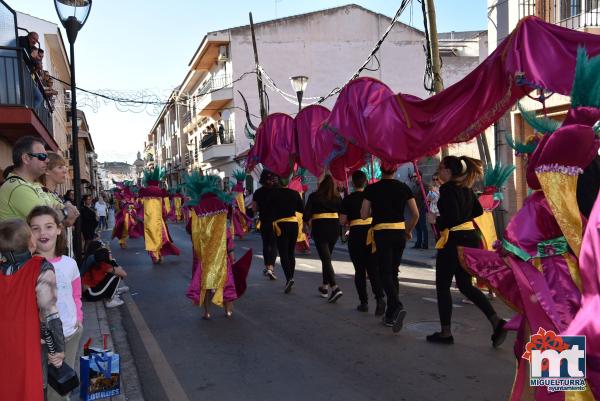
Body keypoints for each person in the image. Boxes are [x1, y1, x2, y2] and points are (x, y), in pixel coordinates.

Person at [425, 156, 506, 345]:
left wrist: (435, 219)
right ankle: (496, 322)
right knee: (465, 285)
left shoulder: (446, 189)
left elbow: (451, 218)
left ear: (449, 171)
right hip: (469, 239)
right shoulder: (467, 189)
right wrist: (460, 215)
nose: (439, 172)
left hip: (454, 241)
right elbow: (478, 211)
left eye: (441, 168)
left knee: (443, 286)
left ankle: (446, 333)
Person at [0, 218, 65, 401]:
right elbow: (49, 313)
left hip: (3, 345)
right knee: (32, 389)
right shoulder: (40, 268)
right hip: (29, 345)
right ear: (31, 241)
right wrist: (57, 349)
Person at [28, 206, 82, 401]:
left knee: (61, 387)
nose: (43, 233)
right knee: (42, 387)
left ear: (59, 229)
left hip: (70, 333)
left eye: (49, 226)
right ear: (29, 233)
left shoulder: (70, 263)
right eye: (36, 228)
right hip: (41, 340)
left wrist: (79, 317)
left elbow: (76, 294)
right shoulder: (27, 267)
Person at [361, 160, 418, 332]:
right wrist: (408, 230)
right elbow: (415, 214)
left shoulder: (371, 188)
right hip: (399, 233)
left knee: (383, 272)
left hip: (382, 233)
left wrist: (374, 209)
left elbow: (363, 215)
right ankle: (391, 314)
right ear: (395, 170)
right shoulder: (403, 188)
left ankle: (397, 305)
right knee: (393, 272)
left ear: (380, 169)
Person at [185, 173, 252, 319]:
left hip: (205, 255)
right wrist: (231, 251)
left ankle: (207, 312)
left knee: (206, 284)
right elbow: (226, 233)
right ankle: (228, 311)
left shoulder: (196, 208)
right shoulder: (222, 206)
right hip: (221, 254)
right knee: (227, 282)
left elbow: (190, 229)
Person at [0, 136, 78, 224]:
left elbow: (63, 215)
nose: (47, 160)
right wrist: (65, 212)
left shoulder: (35, 185)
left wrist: (62, 212)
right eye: (42, 156)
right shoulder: (17, 188)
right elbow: (47, 221)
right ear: (26, 159)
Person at [340, 170, 385, 314]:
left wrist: (348, 222)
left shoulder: (348, 199)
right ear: (365, 182)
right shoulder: (373, 196)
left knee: (359, 270)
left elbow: (342, 221)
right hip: (371, 234)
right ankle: (379, 299)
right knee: (373, 269)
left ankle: (364, 302)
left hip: (356, 234)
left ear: (353, 183)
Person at [303, 174, 343, 303]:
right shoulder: (337, 198)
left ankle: (335, 287)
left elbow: (306, 215)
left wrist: (305, 226)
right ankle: (325, 287)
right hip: (334, 229)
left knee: (326, 260)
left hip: (320, 229)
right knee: (327, 258)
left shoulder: (314, 196)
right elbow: (343, 213)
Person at [269, 175, 304, 293]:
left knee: (283, 253)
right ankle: (291, 278)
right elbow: (301, 209)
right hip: (293, 224)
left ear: (279, 181)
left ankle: (289, 278)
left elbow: (270, 209)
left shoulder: (274, 194)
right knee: (291, 252)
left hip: (281, 225)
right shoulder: (294, 194)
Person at [139, 167, 180, 263]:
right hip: (158, 220)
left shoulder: (144, 193)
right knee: (161, 237)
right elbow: (164, 208)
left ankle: (155, 256)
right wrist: (166, 216)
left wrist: (140, 217)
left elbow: (141, 207)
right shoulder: (160, 193)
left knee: (151, 237)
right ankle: (158, 254)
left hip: (148, 220)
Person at [252, 170, 279, 280]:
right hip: (276, 223)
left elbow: (254, 208)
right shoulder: (278, 191)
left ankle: (267, 266)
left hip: (264, 222)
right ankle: (271, 268)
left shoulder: (258, 192)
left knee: (265, 244)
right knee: (274, 245)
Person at [411, 174, 429, 249]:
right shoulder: (415, 186)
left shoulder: (424, 185)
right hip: (415, 208)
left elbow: (426, 198)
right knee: (417, 227)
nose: (414, 178)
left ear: (420, 176)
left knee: (423, 226)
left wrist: (421, 207)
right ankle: (418, 243)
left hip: (421, 208)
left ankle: (425, 244)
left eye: (415, 176)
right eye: (413, 177)